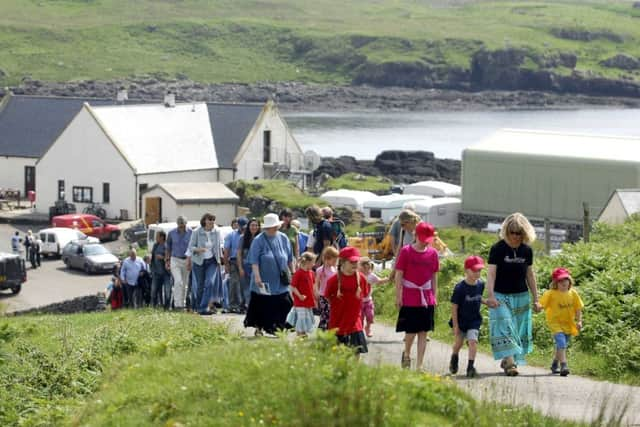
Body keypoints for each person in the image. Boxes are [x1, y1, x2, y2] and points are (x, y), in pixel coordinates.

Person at [486, 212, 541, 377]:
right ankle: (511, 364)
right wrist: (490, 295)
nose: (515, 236)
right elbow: (491, 274)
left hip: (521, 296)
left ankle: (507, 358)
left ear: (524, 233)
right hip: (500, 295)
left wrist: (536, 298)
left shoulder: (526, 251)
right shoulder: (498, 249)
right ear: (506, 231)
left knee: (518, 330)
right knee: (505, 327)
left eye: (519, 233)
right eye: (512, 232)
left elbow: (530, 275)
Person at [395, 221, 439, 372]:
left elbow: (434, 276)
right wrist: (398, 295)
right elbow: (399, 274)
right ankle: (407, 353)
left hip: (426, 297)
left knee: (423, 332)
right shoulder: (406, 251)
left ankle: (419, 365)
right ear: (415, 235)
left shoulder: (433, 253)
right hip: (410, 295)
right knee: (411, 331)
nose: (424, 242)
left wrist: (435, 294)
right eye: (422, 238)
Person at [244, 213, 294, 336]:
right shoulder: (258, 240)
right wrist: (257, 277)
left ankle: (277, 327)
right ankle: (259, 328)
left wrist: (293, 273)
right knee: (262, 305)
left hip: (280, 280)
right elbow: (254, 261)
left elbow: (289, 258)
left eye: (276, 226)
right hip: (264, 281)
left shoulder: (283, 238)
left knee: (285, 303)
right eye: (273, 226)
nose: (275, 228)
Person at [539, 267, 584, 377]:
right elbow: (542, 304)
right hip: (555, 323)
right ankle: (564, 365)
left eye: (565, 280)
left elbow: (578, 308)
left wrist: (579, 321)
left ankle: (555, 364)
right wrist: (538, 306)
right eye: (560, 281)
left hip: (568, 323)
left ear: (570, 281)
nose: (563, 283)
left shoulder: (573, 293)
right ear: (555, 283)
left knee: (561, 346)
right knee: (561, 343)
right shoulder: (550, 293)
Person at [325, 246, 369, 356]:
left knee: (356, 353)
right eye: (351, 261)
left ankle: (353, 373)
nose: (355, 264)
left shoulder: (362, 279)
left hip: (354, 323)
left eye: (356, 261)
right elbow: (327, 296)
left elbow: (365, 294)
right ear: (343, 262)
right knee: (338, 355)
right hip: (337, 323)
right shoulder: (333, 280)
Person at [449, 255, 487, 378]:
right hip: (461, 320)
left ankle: (470, 367)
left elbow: (478, 298)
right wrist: (455, 325)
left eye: (479, 270)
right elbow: (454, 306)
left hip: (474, 320)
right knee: (458, 343)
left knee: (473, 341)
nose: (477, 273)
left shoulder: (481, 284)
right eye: (474, 270)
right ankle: (454, 356)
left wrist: (487, 302)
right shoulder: (460, 287)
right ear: (466, 270)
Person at [187, 213, 224, 315]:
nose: (212, 222)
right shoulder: (196, 232)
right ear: (204, 221)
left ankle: (203, 307)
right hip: (199, 261)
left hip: (212, 261)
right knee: (200, 285)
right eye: (210, 220)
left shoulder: (216, 232)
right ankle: (199, 307)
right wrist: (199, 249)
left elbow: (218, 247)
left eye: (213, 220)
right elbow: (191, 247)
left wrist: (219, 260)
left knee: (210, 283)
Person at [286, 252, 317, 337]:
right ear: (307, 262)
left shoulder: (311, 273)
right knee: (301, 318)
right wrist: (299, 295)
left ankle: (302, 332)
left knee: (307, 317)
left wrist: (315, 298)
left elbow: (313, 286)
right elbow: (293, 286)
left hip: (308, 300)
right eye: (313, 262)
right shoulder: (299, 273)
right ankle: (300, 333)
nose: (314, 264)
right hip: (300, 301)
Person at [358, 257, 390, 338]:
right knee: (360, 319)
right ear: (360, 267)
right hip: (359, 301)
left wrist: (388, 279)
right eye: (364, 268)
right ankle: (360, 332)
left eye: (368, 268)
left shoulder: (371, 276)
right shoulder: (357, 275)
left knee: (370, 315)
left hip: (368, 300)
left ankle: (368, 327)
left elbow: (379, 281)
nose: (366, 270)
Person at [165, 216, 192, 310]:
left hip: (186, 260)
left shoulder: (191, 233)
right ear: (177, 225)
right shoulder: (171, 233)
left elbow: (192, 248)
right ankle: (177, 304)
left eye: (183, 225)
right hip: (175, 259)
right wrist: (167, 260)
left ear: (186, 224)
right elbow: (168, 248)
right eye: (180, 226)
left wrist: (190, 261)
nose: (182, 227)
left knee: (185, 284)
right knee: (178, 281)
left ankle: (182, 303)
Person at [224, 216, 248, 313]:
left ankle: (244, 304)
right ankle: (233, 305)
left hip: (246, 262)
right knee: (234, 283)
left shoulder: (249, 235)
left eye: (245, 226)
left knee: (244, 284)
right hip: (234, 261)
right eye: (241, 226)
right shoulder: (231, 235)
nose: (243, 228)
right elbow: (226, 251)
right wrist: (226, 264)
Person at [238, 218, 261, 310]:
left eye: (256, 225)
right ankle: (249, 305)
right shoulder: (243, 238)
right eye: (252, 225)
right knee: (247, 287)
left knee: (257, 287)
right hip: (246, 266)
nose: (254, 227)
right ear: (248, 227)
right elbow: (239, 254)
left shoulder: (262, 238)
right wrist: (240, 268)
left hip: (259, 267)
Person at [315, 246, 339, 330]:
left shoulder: (335, 270)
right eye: (334, 260)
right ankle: (322, 329)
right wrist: (316, 292)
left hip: (333, 296)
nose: (336, 262)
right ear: (327, 258)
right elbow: (317, 282)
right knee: (325, 313)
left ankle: (330, 329)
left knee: (332, 313)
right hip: (323, 296)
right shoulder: (320, 270)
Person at [150, 230, 172, 309]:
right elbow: (152, 257)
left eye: (157, 236)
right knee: (153, 291)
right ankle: (154, 306)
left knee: (167, 291)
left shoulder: (167, 246)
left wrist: (162, 257)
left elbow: (170, 258)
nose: (156, 238)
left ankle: (166, 307)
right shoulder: (155, 245)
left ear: (162, 237)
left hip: (166, 273)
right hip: (156, 272)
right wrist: (152, 269)